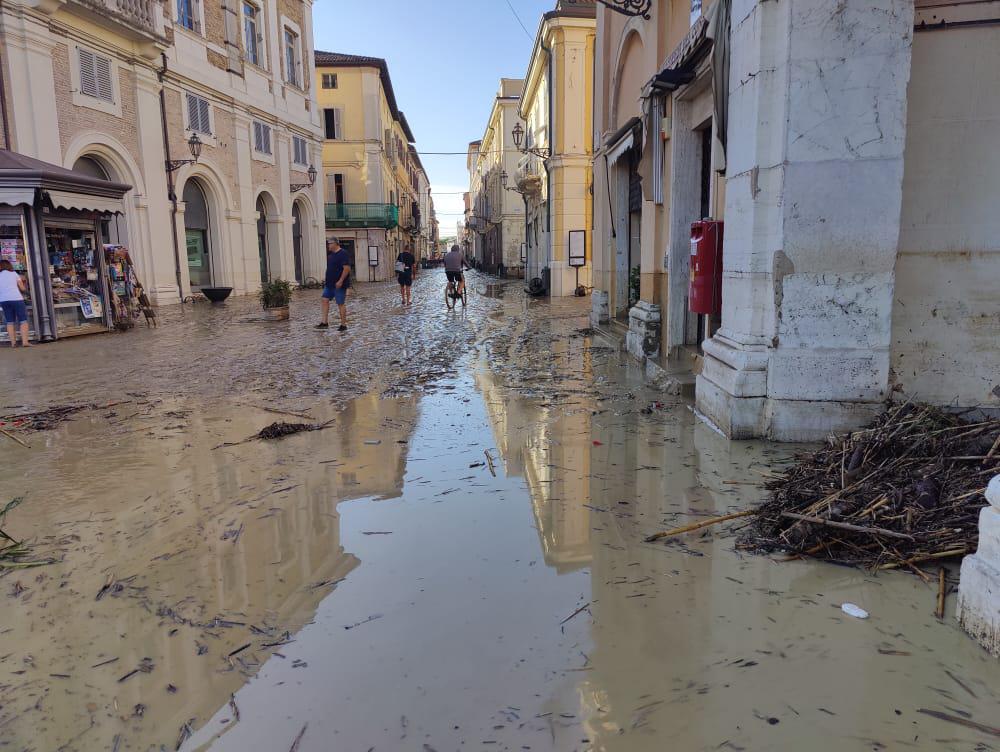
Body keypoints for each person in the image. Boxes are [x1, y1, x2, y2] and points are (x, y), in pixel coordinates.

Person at [316, 238, 351, 332]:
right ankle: (324, 322)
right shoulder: (331, 255)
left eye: (329, 243)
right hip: (329, 284)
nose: (328, 245)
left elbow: (346, 269)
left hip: (339, 284)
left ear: (335, 243)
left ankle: (343, 325)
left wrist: (340, 281)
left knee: (340, 303)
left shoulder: (343, 254)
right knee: (324, 299)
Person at [0, 260, 30, 348]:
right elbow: (22, 288)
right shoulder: (14, 274)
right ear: (9, 266)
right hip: (16, 299)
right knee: (23, 320)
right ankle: (25, 342)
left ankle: (13, 343)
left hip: (4, 300)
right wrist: (28, 293)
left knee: (9, 321)